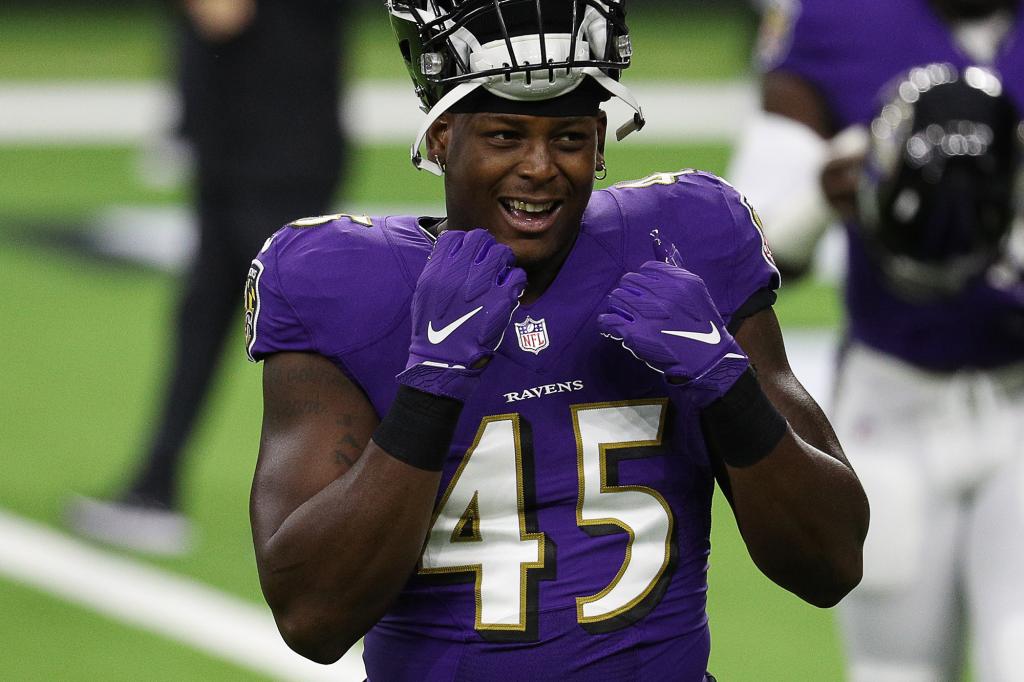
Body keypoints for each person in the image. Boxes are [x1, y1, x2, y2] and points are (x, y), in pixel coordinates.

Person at [247, 1, 869, 679]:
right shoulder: (340, 282)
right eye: (506, 136)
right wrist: (430, 383)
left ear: (600, 142)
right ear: (442, 138)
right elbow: (312, 618)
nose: (540, 167)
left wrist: (726, 382)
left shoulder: (683, 241)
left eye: (568, 138)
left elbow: (831, 562)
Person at [728, 1, 1024, 680]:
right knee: (896, 671)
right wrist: (825, 192)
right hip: (892, 402)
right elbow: (752, 244)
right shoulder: (836, 17)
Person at [67, 0, 348, 554]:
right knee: (209, 316)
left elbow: (223, 13)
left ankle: (377, 496)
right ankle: (156, 485)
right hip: (266, 142)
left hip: (267, 149)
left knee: (309, 338)